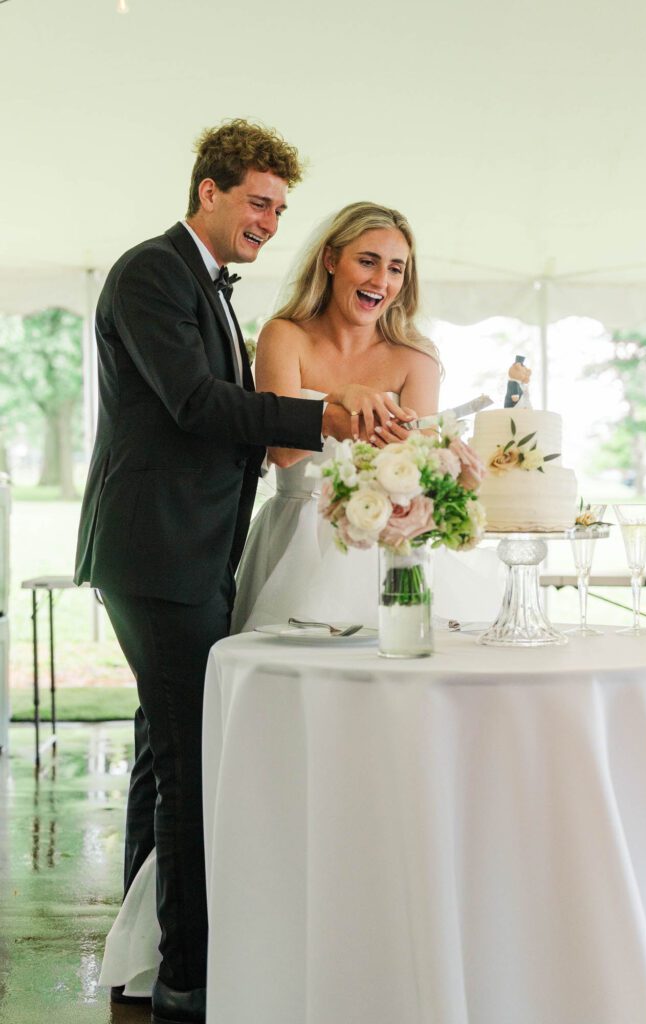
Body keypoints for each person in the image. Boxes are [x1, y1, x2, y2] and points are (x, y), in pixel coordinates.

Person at [74, 123, 412, 1024]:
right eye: (257, 201)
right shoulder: (153, 272)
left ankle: (143, 952)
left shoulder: (205, 286)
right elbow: (193, 403)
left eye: (278, 208)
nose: (268, 220)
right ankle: (192, 978)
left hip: (188, 550)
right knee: (191, 757)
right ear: (209, 192)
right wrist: (327, 417)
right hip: (155, 551)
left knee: (161, 745)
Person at [231, 201, 504, 634]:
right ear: (331, 260)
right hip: (294, 542)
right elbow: (283, 452)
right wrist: (343, 396)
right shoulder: (284, 336)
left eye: (396, 269)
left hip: (385, 543)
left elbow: (418, 473)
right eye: (368, 261)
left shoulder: (416, 359)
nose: (382, 280)